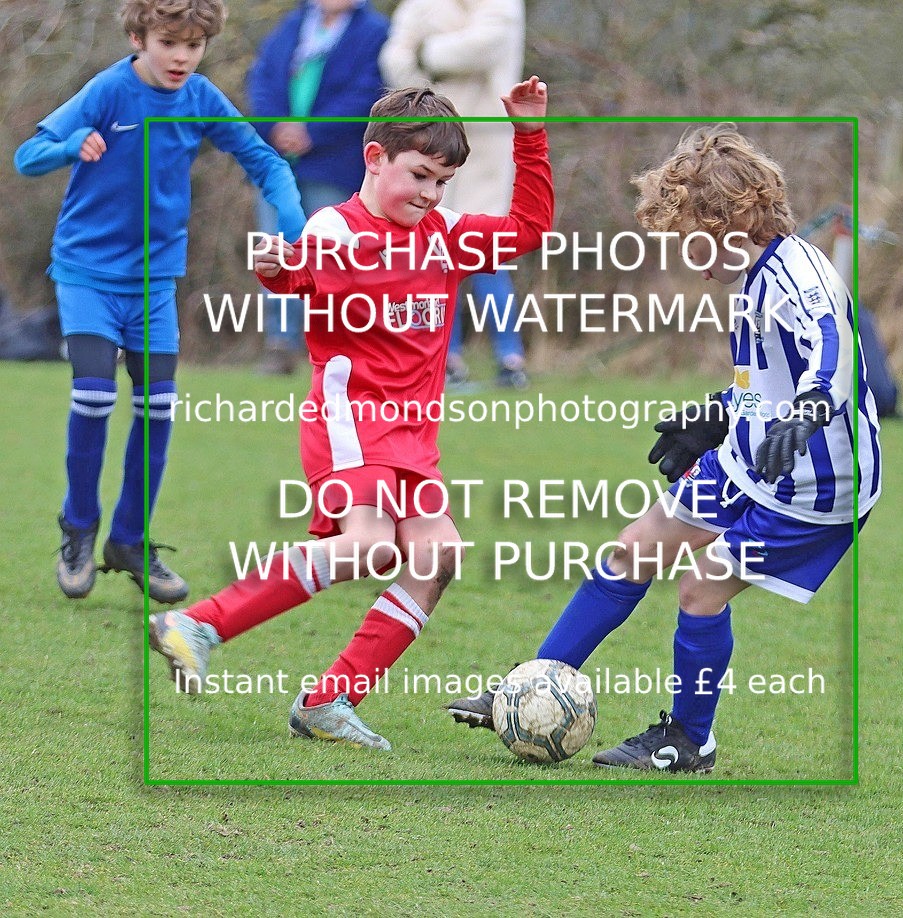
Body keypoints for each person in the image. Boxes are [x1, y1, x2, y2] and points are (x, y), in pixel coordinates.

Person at [448, 124, 883, 773]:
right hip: (753, 457)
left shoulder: (800, 277)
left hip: (813, 486)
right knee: (634, 549)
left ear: (732, 220)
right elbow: (766, 376)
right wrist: (718, 415)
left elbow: (834, 348)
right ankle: (533, 686)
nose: (689, 256)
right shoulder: (755, 274)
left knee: (701, 589)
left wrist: (809, 409)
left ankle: (689, 740)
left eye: (692, 238)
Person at [149, 78, 553, 750]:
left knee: (438, 555)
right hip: (351, 422)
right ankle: (197, 624)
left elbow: (529, 229)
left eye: (442, 182)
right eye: (419, 175)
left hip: (412, 438)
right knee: (368, 544)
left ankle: (329, 700)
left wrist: (530, 135)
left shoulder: (446, 236)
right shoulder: (337, 227)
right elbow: (303, 270)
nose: (430, 194)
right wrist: (277, 268)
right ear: (374, 158)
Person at [13, 0, 307, 604]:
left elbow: (265, 161)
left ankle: (128, 540)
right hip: (87, 272)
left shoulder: (200, 98)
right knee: (94, 394)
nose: (181, 57)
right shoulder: (108, 90)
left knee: (157, 409)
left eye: (193, 46)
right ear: (138, 37)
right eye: (169, 42)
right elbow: (28, 156)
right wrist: (71, 146)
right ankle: (78, 527)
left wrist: (293, 221)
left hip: (154, 283)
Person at [379, 0, 530, 388]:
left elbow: (485, 46)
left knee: (487, 248)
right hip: (432, 139)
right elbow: (394, 59)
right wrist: (429, 80)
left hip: (486, 139)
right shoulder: (419, 5)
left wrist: (428, 53)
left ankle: (510, 360)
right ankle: (445, 359)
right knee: (432, 249)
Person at [246, 0, 388, 375]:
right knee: (275, 252)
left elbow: (368, 94)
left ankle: (336, 347)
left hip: (334, 166)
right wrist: (277, 127)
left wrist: (313, 132)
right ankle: (280, 345)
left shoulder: (374, 32)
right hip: (278, 164)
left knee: (332, 258)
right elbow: (261, 80)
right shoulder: (291, 26)